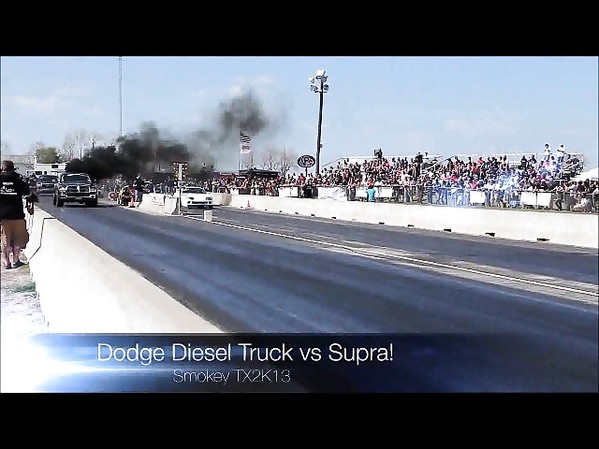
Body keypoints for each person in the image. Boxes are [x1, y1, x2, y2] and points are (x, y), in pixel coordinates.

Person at [0, 160, 31, 269]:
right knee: (18, 240)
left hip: (2, 216)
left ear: (2, 168)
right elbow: (27, 192)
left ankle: (6, 262)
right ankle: (15, 260)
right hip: (17, 215)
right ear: (13, 169)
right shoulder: (18, 180)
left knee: (5, 240)